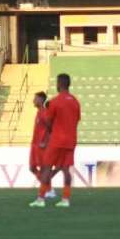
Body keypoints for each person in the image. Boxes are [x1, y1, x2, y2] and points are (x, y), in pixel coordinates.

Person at [32, 73, 80, 209]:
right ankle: (65, 199)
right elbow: (76, 120)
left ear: (59, 84)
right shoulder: (75, 102)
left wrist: (53, 130)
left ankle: (41, 199)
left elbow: (48, 121)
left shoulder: (55, 102)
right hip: (71, 140)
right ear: (68, 84)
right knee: (66, 170)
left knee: (46, 167)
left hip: (57, 139)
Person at [28, 92, 56, 201]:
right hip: (35, 146)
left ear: (41, 100)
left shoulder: (44, 113)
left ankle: (48, 190)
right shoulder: (39, 112)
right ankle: (49, 189)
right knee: (32, 168)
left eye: (35, 98)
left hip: (42, 147)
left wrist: (46, 142)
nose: (33, 100)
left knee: (44, 169)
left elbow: (51, 129)